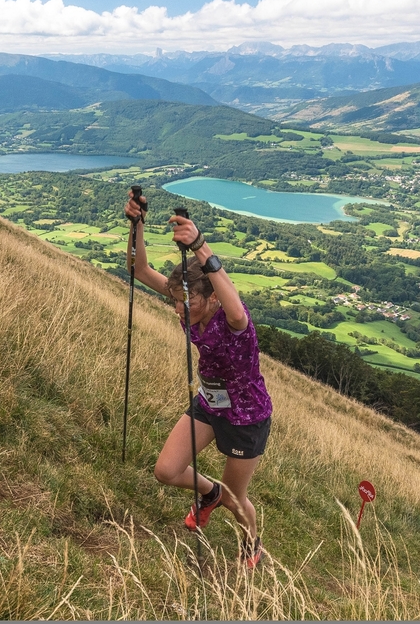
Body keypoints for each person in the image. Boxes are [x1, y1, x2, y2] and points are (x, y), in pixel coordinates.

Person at [124, 191, 273, 569]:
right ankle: (207, 494)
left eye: (186, 303)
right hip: (209, 401)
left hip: (246, 416)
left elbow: (234, 300)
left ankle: (250, 545)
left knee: (235, 499)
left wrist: (201, 246)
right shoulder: (187, 302)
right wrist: (138, 224)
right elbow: (140, 272)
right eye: (175, 301)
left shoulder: (235, 323)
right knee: (166, 471)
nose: (178, 309)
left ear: (210, 298)